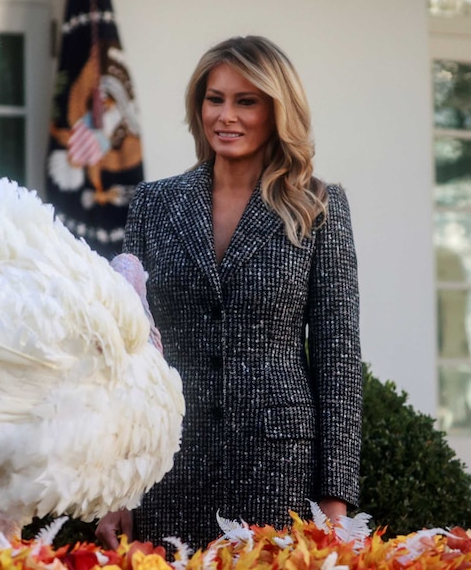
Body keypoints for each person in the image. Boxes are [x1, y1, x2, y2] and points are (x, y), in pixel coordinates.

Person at [95, 35, 362, 550]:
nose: (226, 115)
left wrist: (335, 502)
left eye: (247, 101)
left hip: (279, 468)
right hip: (169, 463)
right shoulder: (154, 204)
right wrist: (117, 488)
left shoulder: (320, 208)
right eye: (215, 99)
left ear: (276, 110)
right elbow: (130, 356)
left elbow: (339, 358)